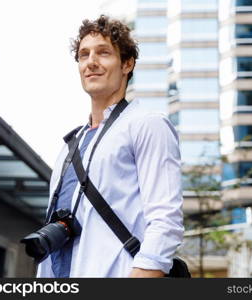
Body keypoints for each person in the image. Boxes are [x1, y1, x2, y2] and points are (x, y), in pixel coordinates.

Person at [36, 15, 184, 278]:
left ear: (127, 64)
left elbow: (166, 220)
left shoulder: (148, 125)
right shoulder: (70, 145)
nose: (91, 62)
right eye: (83, 55)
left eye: (103, 53)